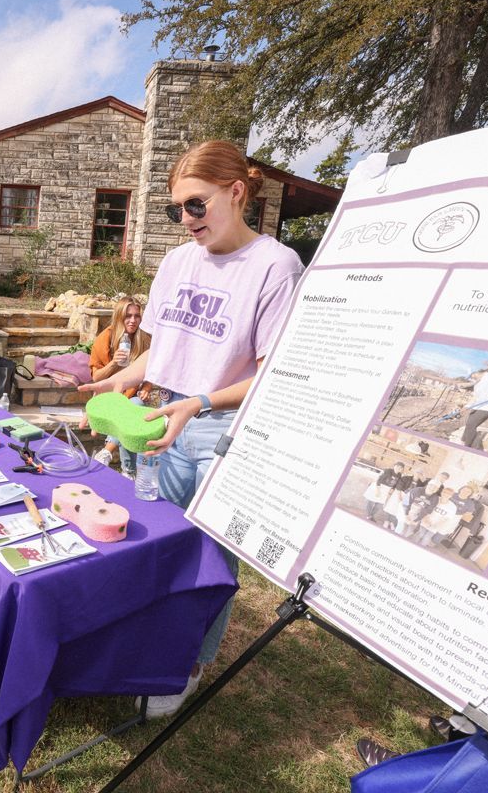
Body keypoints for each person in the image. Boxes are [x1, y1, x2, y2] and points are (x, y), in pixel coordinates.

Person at [80, 140, 304, 718]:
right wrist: (114, 383)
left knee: (207, 558)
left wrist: (200, 402)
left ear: (237, 192)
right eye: (176, 209)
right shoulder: (177, 261)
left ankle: (188, 665)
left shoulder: (276, 266)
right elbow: (156, 356)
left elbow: (276, 374)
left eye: (196, 205)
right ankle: (149, 644)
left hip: (223, 427)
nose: (186, 220)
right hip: (159, 415)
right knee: (155, 540)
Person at [89, 296, 153, 478]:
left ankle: (108, 453)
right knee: (131, 414)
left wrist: (147, 388)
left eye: (137, 316)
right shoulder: (106, 338)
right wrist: (112, 363)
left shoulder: (143, 339)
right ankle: (128, 470)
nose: (133, 320)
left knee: (135, 406)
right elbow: (96, 377)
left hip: (131, 398)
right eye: (128, 316)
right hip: (109, 397)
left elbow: (151, 372)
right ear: (119, 317)